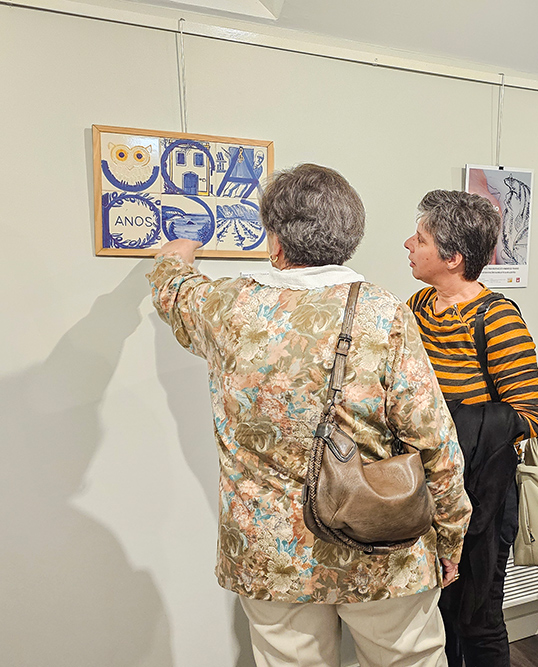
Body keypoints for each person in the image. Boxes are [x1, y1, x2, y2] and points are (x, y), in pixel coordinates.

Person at [147, 164, 471, 667]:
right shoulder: (384, 314)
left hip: (270, 553)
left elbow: (175, 291)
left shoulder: (228, 306)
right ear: (349, 237)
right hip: (380, 547)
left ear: (275, 241)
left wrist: (175, 258)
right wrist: (450, 533)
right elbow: (434, 440)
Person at [403, 190, 538, 667]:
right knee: (436, 616)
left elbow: (530, 416)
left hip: (482, 495)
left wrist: (448, 419)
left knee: (479, 619)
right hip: (427, 490)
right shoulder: (419, 305)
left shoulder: (497, 318)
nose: (408, 244)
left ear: (453, 257)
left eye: (420, 239)